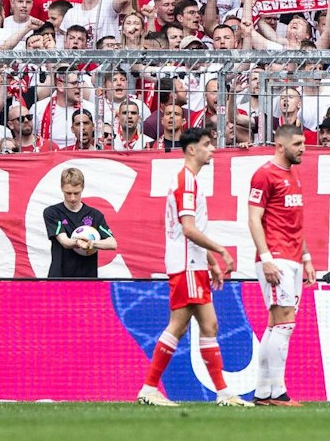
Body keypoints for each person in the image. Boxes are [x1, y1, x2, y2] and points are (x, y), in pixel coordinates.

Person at [137, 126, 252, 408]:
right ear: (192, 150)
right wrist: (221, 251)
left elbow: (190, 227)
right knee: (178, 325)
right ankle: (149, 388)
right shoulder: (186, 182)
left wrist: (210, 262)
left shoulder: (189, 181)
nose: (212, 149)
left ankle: (224, 394)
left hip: (194, 263)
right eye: (207, 144)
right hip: (186, 264)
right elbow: (188, 229)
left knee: (210, 324)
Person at [247, 124, 311, 404]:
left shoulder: (293, 174)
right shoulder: (264, 175)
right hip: (276, 258)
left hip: (294, 258)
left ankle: (263, 392)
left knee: (275, 324)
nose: (303, 149)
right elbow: (253, 218)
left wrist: (307, 257)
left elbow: (294, 222)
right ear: (280, 146)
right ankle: (278, 392)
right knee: (285, 323)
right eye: (298, 144)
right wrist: (267, 258)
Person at [44, 165, 117, 279]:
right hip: (59, 278)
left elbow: (112, 243)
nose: (72, 198)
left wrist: (92, 243)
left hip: (87, 279)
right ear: (62, 188)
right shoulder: (52, 212)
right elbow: (64, 241)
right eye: (68, 193)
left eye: (76, 193)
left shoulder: (95, 215)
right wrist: (78, 242)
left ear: (82, 188)